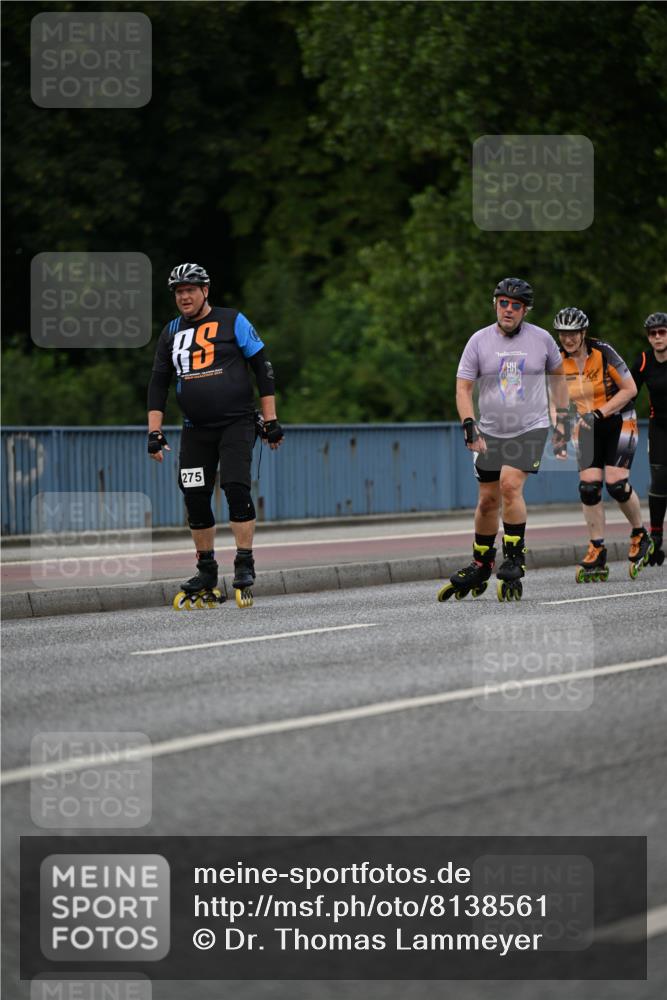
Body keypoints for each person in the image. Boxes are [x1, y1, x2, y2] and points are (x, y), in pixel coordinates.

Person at [147, 262, 284, 609]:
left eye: (190, 290)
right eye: (179, 292)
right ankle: (206, 570)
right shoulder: (171, 332)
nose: (184, 297)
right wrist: (154, 431)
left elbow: (263, 368)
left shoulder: (232, 320)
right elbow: (158, 384)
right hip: (195, 430)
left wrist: (270, 421)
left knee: (236, 487)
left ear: (205, 291)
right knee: (193, 494)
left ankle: (243, 563)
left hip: (236, 423)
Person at [438, 276, 570, 603]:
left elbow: (559, 381)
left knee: (510, 485)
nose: (508, 310)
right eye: (503, 303)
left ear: (525, 310)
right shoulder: (478, 341)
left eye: (516, 305)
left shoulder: (542, 340)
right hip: (491, 430)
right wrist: (469, 423)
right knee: (487, 500)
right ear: (495, 304)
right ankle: (482, 562)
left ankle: (514, 557)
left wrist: (563, 422)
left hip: (530, 427)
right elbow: (463, 388)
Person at [553, 306, 652, 581]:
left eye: (573, 334)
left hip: (619, 419)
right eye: (563, 334)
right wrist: (561, 434)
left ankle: (640, 533)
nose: (568, 339)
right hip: (588, 426)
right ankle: (597, 548)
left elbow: (630, 390)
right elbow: (557, 401)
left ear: (584, 333)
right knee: (588, 488)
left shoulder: (603, 351)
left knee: (616, 484)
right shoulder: (558, 361)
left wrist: (600, 412)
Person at [630, 312, 667, 567]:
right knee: (659, 478)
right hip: (659, 427)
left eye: (662, 332)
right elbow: (629, 391)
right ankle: (656, 538)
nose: (657, 337)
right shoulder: (644, 360)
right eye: (653, 333)